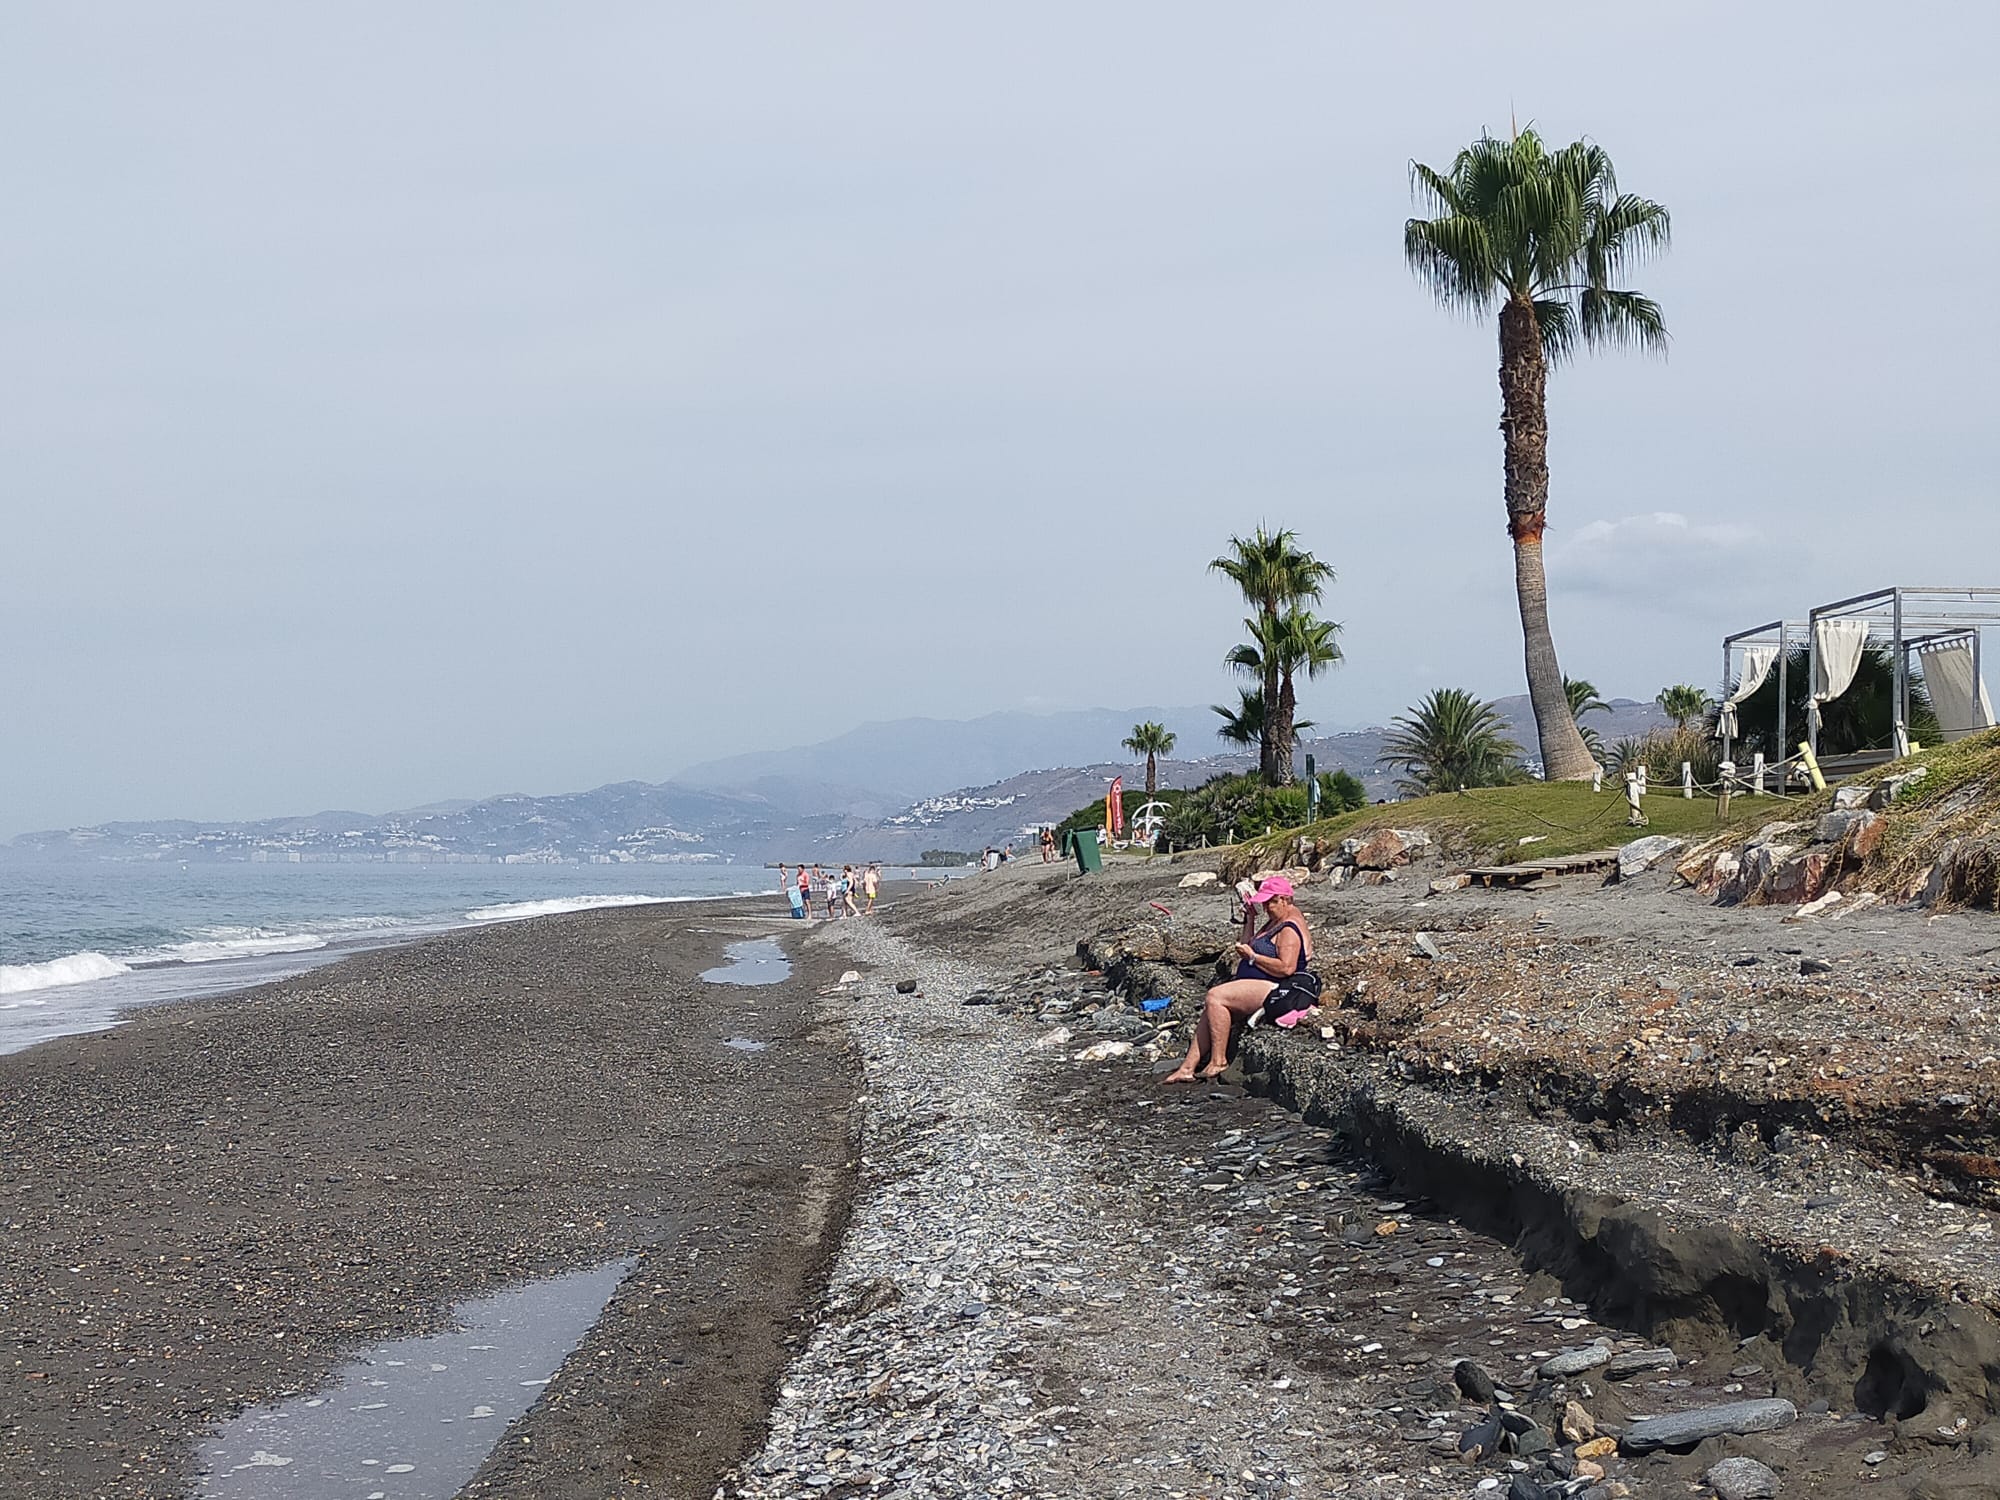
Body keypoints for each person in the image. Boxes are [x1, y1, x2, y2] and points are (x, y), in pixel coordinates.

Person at [1164, 875, 1313, 1083]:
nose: (1267, 907)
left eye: (1271, 902)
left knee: (1215, 996)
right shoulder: (1275, 921)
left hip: (1277, 988)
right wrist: (1250, 920)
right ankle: (1187, 1067)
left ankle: (1219, 1060)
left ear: (1285, 899)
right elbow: (1249, 945)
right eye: (1264, 902)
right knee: (1212, 1005)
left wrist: (1253, 958)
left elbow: (1286, 968)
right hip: (1260, 982)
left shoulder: (1289, 927)